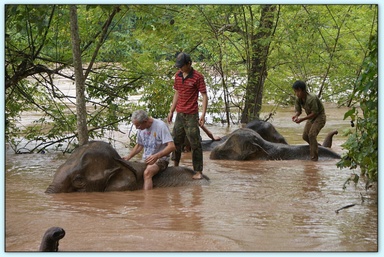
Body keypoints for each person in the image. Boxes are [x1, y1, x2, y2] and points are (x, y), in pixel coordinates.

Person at [167, 52, 208, 180]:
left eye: (182, 66)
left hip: (191, 114)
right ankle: (175, 165)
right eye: (179, 66)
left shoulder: (197, 77)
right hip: (180, 113)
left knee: (195, 142)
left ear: (189, 64)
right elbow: (177, 93)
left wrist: (203, 115)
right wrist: (171, 110)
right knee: (176, 141)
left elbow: (204, 96)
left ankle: (198, 170)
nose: (180, 69)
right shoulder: (178, 76)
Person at [123, 110, 176, 190]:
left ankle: (148, 199)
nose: (137, 128)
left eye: (138, 126)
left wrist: (157, 156)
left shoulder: (161, 126)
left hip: (161, 159)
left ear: (145, 121)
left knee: (147, 173)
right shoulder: (141, 129)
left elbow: (171, 146)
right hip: (147, 159)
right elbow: (139, 145)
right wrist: (129, 157)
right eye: (135, 125)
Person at [291, 80, 326, 161]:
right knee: (305, 136)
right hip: (311, 117)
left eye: (297, 91)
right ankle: (317, 147)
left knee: (312, 135)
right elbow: (298, 111)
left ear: (301, 90)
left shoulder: (312, 98)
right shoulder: (298, 99)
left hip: (319, 117)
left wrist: (302, 119)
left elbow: (315, 113)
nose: (296, 93)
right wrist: (296, 116)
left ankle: (314, 158)